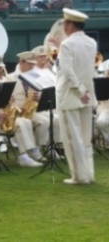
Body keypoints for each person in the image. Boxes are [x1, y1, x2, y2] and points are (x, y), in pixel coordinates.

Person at [56, 8, 97, 184]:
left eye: (65, 24)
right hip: (87, 94)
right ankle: (88, 173)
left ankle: (79, 177)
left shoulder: (67, 44)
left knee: (73, 139)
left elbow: (68, 70)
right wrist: (83, 91)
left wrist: (79, 91)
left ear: (70, 25)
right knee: (85, 138)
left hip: (71, 95)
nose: (64, 27)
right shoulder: (91, 42)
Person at [6, 51, 51, 154]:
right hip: (17, 112)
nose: (32, 67)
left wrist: (38, 97)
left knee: (45, 121)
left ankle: (38, 149)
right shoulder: (10, 78)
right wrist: (16, 109)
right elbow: (7, 99)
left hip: (30, 110)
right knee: (33, 122)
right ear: (21, 62)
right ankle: (30, 151)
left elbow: (40, 92)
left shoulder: (33, 77)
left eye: (33, 64)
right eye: (29, 64)